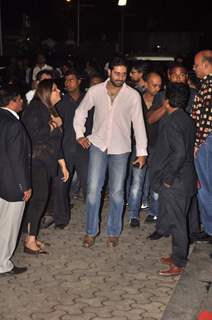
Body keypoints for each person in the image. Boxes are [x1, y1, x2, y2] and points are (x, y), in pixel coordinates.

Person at [74, 56, 147, 248]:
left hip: (121, 148)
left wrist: (142, 151)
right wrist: (80, 135)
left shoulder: (132, 95)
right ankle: (90, 232)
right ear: (109, 72)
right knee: (92, 191)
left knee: (116, 192)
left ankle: (113, 232)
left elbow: (139, 124)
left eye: (124, 74)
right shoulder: (96, 91)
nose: (120, 77)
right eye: (117, 73)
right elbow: (81, 112)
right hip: (97, 145)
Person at [150, 82, 196, 276]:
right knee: (178, 219)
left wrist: (168, 178)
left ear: (166, 101)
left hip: (176, 180)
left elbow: (178, 153)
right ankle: (177, 254)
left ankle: (178, 262)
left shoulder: (171, 121)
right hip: (185, 176)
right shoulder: (187, 118)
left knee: (177, 222)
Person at [22, 79, 69, 254]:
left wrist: (62, 164)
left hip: (45, 162)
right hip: (36, 163)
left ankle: (31, 237)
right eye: (56, 90)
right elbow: (34, 135)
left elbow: (55, 141)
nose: (60, 93)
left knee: (40, 199)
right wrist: (54, 124)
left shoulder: (48, 109)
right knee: (38, 200)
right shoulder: (35, 108)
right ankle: (30, 241)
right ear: (47, 92)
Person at [53, 69, 94, 228]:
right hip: (65, 147)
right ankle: (61, 219)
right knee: (61, 184)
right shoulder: (60, 102)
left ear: (79, 81)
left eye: (71, 79)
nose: (67, 83)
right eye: (66, 80)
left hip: (85, 148)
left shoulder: (89, 100)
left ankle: (91, 220)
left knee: (89, 185)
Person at [0, 86, 31, 275]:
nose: (22, 102)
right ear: (13, 101)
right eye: (20, 99)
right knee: (9, 226)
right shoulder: (14, 124)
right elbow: (17, 159)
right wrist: (24, 186)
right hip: (12, 185)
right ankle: (3, 264)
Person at [127, 72, 162, 227]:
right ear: (146, 84)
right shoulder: (136, 98)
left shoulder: (163, 99)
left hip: (158, 145)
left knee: (155, 181)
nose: (158, 88)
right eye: (154, 84)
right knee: (137, 181)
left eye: (160, 85)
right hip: (138, 145)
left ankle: (154, 212)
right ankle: (133, 215)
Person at [191, 50, 212, 245]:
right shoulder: (205, 85)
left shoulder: (208, 86)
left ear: (206, 65)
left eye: (196, 65)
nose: (194, 68)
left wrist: (197, 143)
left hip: (208, 140)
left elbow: (205, 120)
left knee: (206, 187)